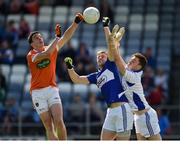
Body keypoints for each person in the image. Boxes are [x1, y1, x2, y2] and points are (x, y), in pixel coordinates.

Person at [63, 18, 133, 140]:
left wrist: (106, 26)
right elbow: (78, 79)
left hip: (122, 108)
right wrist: (70, 68)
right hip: (110, 111)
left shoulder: (110, 65)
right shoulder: (96, 76)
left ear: (108, 58)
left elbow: (110, 45)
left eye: (103, 56)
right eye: (98, 57)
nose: (100, 58)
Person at [26, 13, 84, 140]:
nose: (40, 38)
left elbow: (66, 37)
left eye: (40, 36)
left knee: (58, 120)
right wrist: (57, 38)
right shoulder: (31, 55)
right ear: (32, 44)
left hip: (52, 89)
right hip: (37, 92)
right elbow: (46, 54)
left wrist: (75, 22)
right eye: (36, 38)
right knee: (48, 126)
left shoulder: (51, 48)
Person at [107, 19, 162, 140]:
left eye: (134, 60)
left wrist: (113, 43)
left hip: (146, 115)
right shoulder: (129, 70)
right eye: (131, 58)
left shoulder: (134, 76)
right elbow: (115, 57)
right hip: (137, 117)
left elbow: (117, 60)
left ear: (139, 66)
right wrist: (116, 43)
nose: (131, 60)